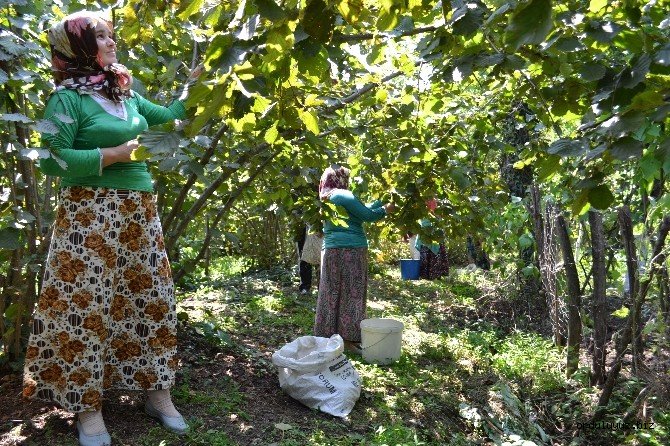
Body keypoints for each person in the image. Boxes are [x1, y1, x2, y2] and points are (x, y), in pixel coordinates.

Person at [22, 11, 200, 446]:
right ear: (78, 47)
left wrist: (194, 86)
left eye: (110, 35)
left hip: (139, 210)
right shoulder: (63, 100)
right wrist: (113, 155)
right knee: (86, 306)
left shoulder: (124, 92)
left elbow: (170, 114)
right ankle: (88, 408)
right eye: (100, 36)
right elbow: (50, 158)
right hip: (88, 215)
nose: (110, 43)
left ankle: (157, 393)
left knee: (150, 296)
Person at [314, 166, 393, 353]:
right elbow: (368, 215)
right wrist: (386, 209)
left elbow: (361, 211)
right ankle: (348, 340)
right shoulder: (344, 195)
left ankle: (325, 337)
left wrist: (381, 200)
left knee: (330, 293)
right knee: (352, 293)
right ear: (341, 179)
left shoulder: (326, 197)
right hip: (352, 250)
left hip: (331, 250)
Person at [416, 198, 449, 280]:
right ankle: (431, 275)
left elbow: (437, 214)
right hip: (428, 230)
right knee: (430, 252)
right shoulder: (424, 200)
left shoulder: (433, 200)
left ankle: (432, 275)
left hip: (433, 231)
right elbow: (435, 214)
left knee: (433, 253)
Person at [296, 224, 313, 294]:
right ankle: (305, 286)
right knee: (304, 257)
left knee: (320, 256)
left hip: (316, 225)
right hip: (302, 227)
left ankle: (321, 286)